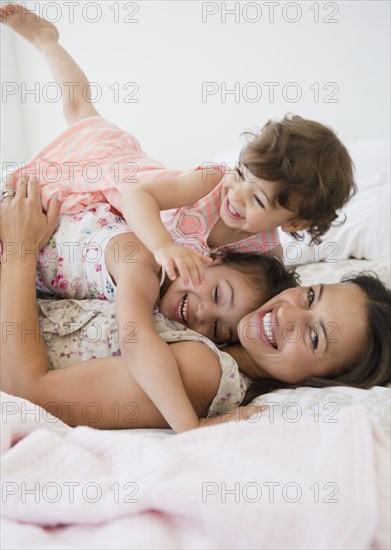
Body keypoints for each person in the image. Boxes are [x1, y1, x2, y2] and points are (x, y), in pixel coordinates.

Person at [1, 3, 356, 287]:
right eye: (242, 173)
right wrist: (163, 247)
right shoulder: (214, 180)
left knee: (79, 112)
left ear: (293, 223)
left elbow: (265, 294)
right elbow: (140, 196)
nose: (237, 195)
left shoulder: (265, 253)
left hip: (116, 214)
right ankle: (46, 39)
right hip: (125, 174)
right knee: (78, 109)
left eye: (259, 199)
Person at [1, 179, 390, 432]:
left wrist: (20, 249)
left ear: (318, 381)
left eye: (315, 337)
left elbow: (26, 391)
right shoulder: (209, 336)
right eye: (309, 297)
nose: (288, 315)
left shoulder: (205, 370)